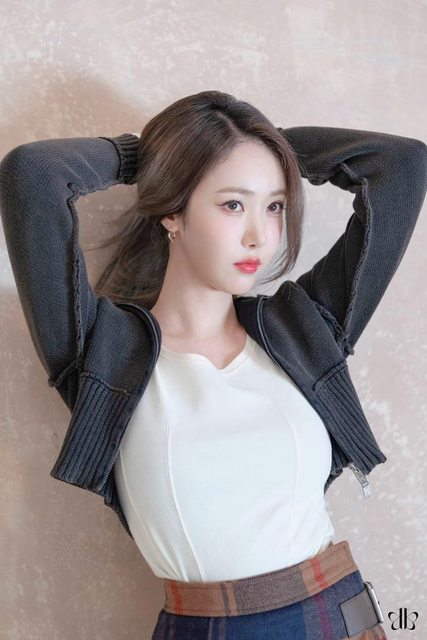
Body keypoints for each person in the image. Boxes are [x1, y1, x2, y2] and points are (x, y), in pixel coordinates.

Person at [1, 90, 426, 639]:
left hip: (340, 617)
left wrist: (259, 145)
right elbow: (33, 174)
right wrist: (166, 155)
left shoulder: (304, 329)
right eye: (233, 204)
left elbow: (402, 166)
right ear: (173, 212)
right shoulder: (105, 354)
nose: (260, 236)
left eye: (274, 206)